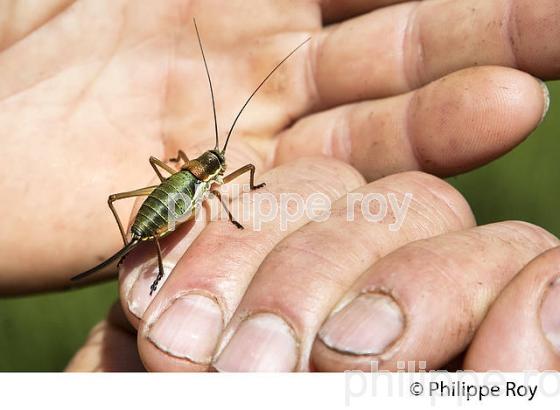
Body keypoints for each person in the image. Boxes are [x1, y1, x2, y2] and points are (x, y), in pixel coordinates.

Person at [1, 0, 559, 371]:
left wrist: (230, 199)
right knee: (176, 220)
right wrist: (220, 203)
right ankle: (155, 263)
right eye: (212, 168)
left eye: (216, 168)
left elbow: (228, 182)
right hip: (167, 204)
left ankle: (153, 256)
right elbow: (214, 190)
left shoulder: (215, 175)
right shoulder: (204, 183)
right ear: (206, 168)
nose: (221, 173)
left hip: (175, 193)